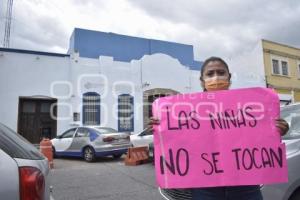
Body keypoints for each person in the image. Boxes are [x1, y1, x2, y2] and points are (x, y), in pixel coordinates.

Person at [149, 56, 289, 200]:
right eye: (210, 74)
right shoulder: (182, 110)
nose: (216, 77)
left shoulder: (248, 104)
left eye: (221, 72)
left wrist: (278, 129)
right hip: (205, 188)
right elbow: (179, 143)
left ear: (229, 77)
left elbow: (258, 137)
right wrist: (161, 128)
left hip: (245, 187)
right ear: (202, 80)